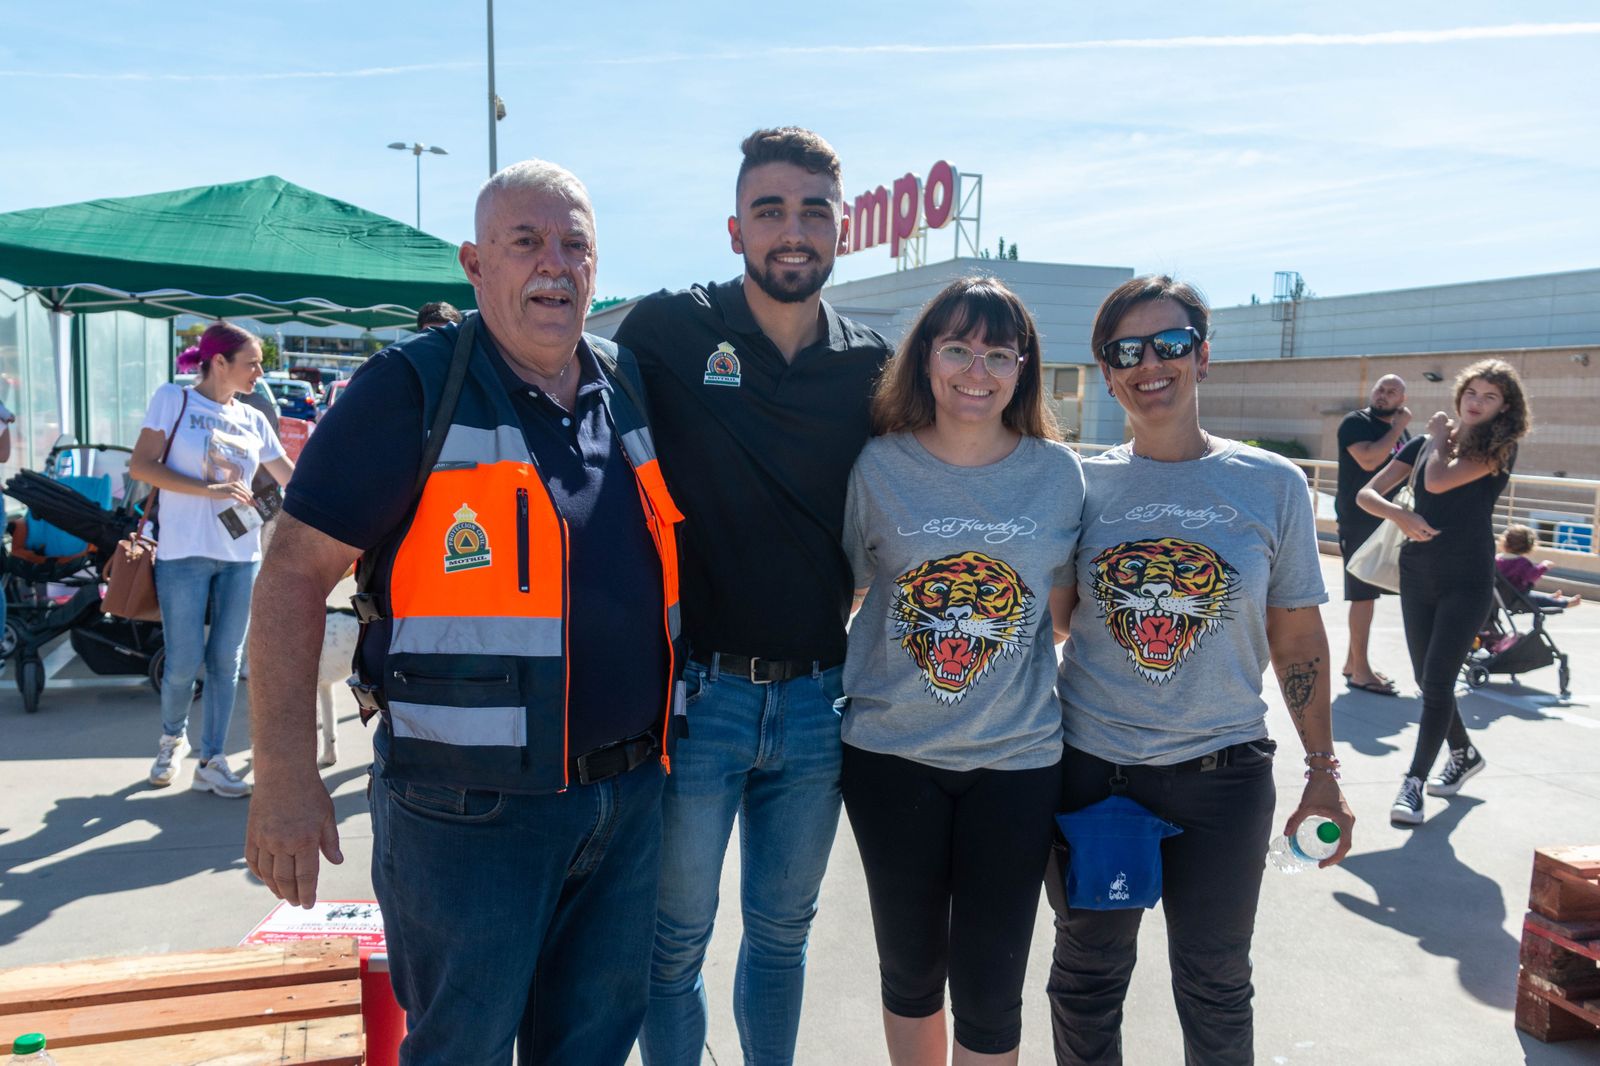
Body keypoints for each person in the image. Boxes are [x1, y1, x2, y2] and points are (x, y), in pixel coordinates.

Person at [243, 160, 684, 1065]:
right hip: (467, 817)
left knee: (592, 1048)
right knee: (462, 1049)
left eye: (574, 245)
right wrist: (284, 777)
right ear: (475, 265)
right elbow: (290, 577)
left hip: (627, 799)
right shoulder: (408, 391)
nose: (553, 266)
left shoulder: (623, 383)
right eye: (525, 243)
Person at [613, 127, 891, 1066]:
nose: (793, 229)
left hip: (820, 702)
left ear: (842, 229)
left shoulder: (873, 367)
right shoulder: (663, 330)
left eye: (814, 210)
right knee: (672, 944)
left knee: (782, 938)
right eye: (770, 210)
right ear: (735, 228)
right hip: (697, 699)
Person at [1046, 275, 1354, 1066]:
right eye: (1127, 350)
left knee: (1217, 986)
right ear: (1108, 370)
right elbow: (1051, 619)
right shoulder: (1080, 486)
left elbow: (1298, 641)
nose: (1151, 363)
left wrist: (1323, 769)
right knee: (1086, 980)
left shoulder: (1272, 485)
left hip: (1224, 779)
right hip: (1095, 776)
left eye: (1171, 343)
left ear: (1203, 357)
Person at [840, 277, 1084, 1065]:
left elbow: (1066, 612)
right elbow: (846, 590)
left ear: (1023, 369)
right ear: (926, 358)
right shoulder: (877, 468)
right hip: (890, 755)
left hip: (1016, 762)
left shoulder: (1060, 475)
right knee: (909, 970)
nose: (975, 370)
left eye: (997, 353)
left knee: (991, 983)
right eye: (956, 348)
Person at [1358, 359, 1531, 825]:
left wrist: (1436, 438)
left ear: (1504, 407)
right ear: (1460, 395)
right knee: (1427, 683)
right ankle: (1464, 753)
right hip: (1418, 575)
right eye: (1472, 392)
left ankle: (1413, 782)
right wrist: (1400, 516)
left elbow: (1437, 479)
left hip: (1467, 579)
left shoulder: (1499, 448)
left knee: (1436, 684)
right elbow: (1367, 494)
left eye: (1489, 396)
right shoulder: (1422, 444)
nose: (1477, 402)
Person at [129, 322, 293, 796]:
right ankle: (170, 739)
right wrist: (209, 489)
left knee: (227, 660)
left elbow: (287, 479)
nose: (261, 372)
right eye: (253, 363)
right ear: (218, 362)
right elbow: (142, 466)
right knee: (182, 663)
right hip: (183, 553)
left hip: (241, 555)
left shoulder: (254, 418)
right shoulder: (174, 399)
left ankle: (213, 759)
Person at [1335, 373, 1412, 695]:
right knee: (1362, 596)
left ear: (1401, 400)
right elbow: (1369, 460)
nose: (1384, 394)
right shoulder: (1356, 422)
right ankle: (1361, 672)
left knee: (1369, 595)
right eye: (1381, 388)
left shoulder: (1401, 432)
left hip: (1385, 521)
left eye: (1392, 391)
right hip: (1358, 519)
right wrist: (1398, 426)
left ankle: (1353, 664)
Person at [1497, 524, 1581, 610]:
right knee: (1535, 599)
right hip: (1515, 598)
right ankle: (1565, 603)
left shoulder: (1497, 559)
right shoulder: (1522, 562)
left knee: (1534, 596)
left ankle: (1550, 597)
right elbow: (1531, 576)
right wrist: (1544, 566)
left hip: (1496, 598)